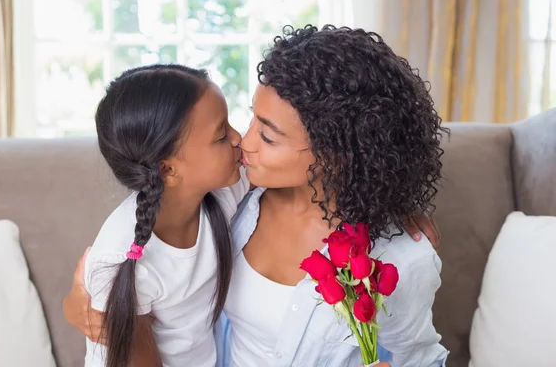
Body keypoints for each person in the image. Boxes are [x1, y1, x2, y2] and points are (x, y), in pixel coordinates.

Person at [65, 25, 447, 367]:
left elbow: (420, 357)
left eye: (267, 135)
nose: (243, 143)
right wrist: (81, 303)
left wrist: (394, 202)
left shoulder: (399, 257)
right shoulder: (237, 198)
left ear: (337, 154)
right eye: (251, 120)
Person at [82, 64, 250, 367]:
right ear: (167, 169)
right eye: (222, 135)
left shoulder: (222, 192)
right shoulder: (123, 259)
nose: (240, 138)